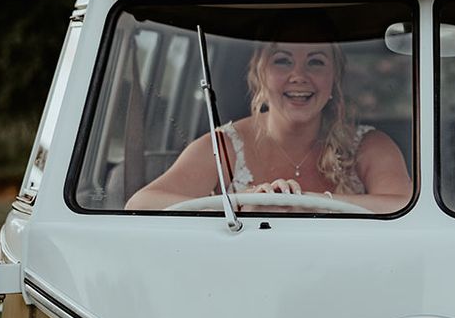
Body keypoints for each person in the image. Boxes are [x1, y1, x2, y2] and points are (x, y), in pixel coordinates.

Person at [125, 20, 412, 213]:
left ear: (334, 78)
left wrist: (314, 203)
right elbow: (142, 204)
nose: (298, 76)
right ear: (260, 74)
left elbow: (405, 206)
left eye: (316, 62)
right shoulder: (225, 146)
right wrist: (242, 203)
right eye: (283, 60)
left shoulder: (369, 146)